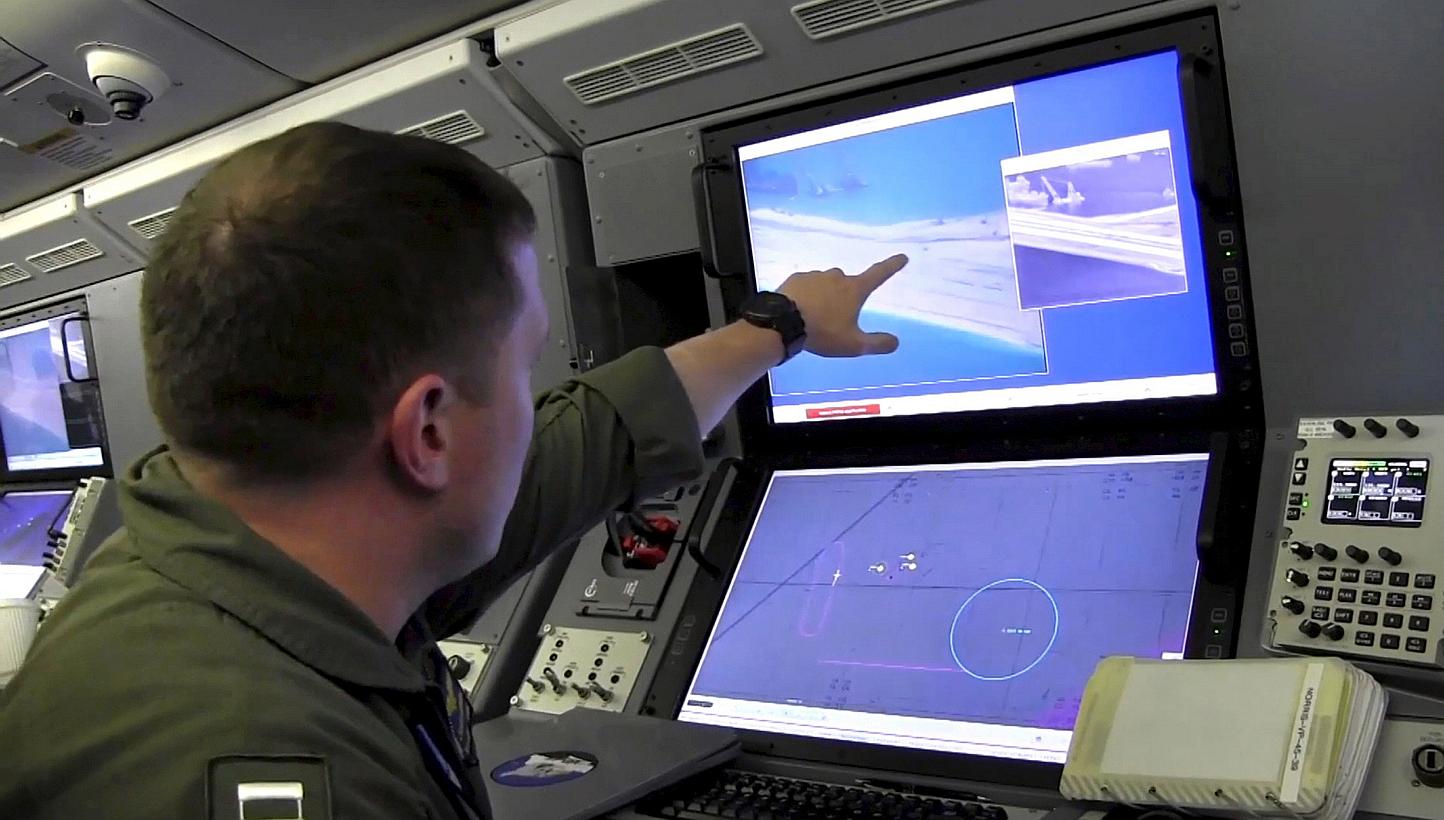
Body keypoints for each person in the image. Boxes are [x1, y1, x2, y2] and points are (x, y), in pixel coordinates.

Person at [0, 122, 908, 820]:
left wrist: (780, 324)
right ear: (427, 433)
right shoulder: (272, 765)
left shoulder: (243, 552)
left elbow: (587, 443)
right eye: (523, 369)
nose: (531, 405)